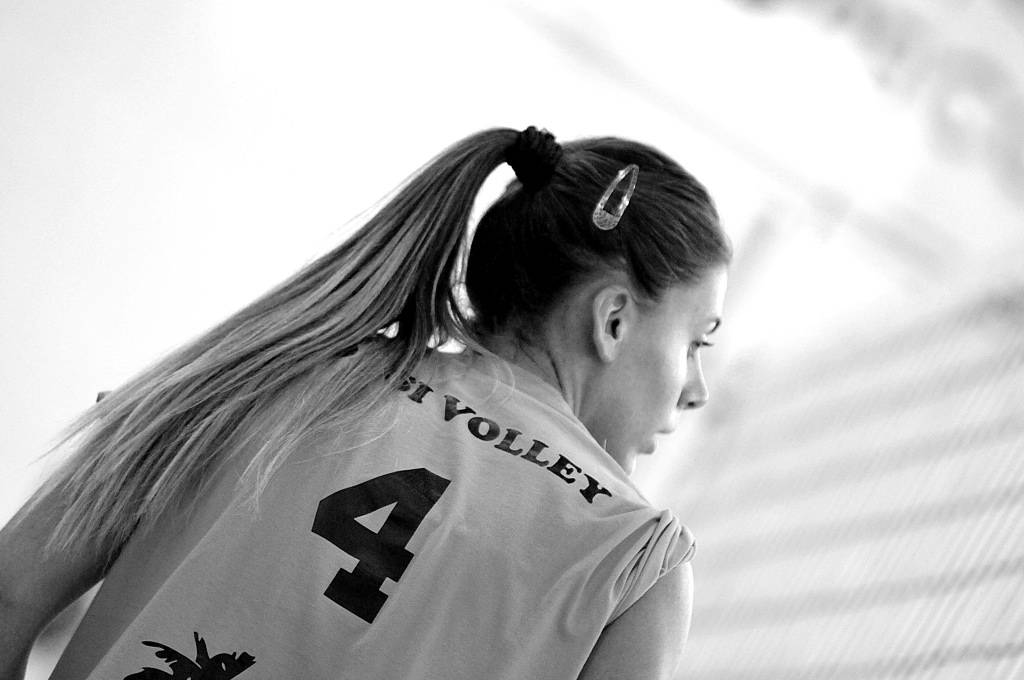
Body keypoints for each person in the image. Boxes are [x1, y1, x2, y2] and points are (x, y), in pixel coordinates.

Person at [0, 126, 731, 680]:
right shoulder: (632, 565)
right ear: (613, 321)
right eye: (697, 341)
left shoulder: (268, 364)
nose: (695, 390)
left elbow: (9, 589)